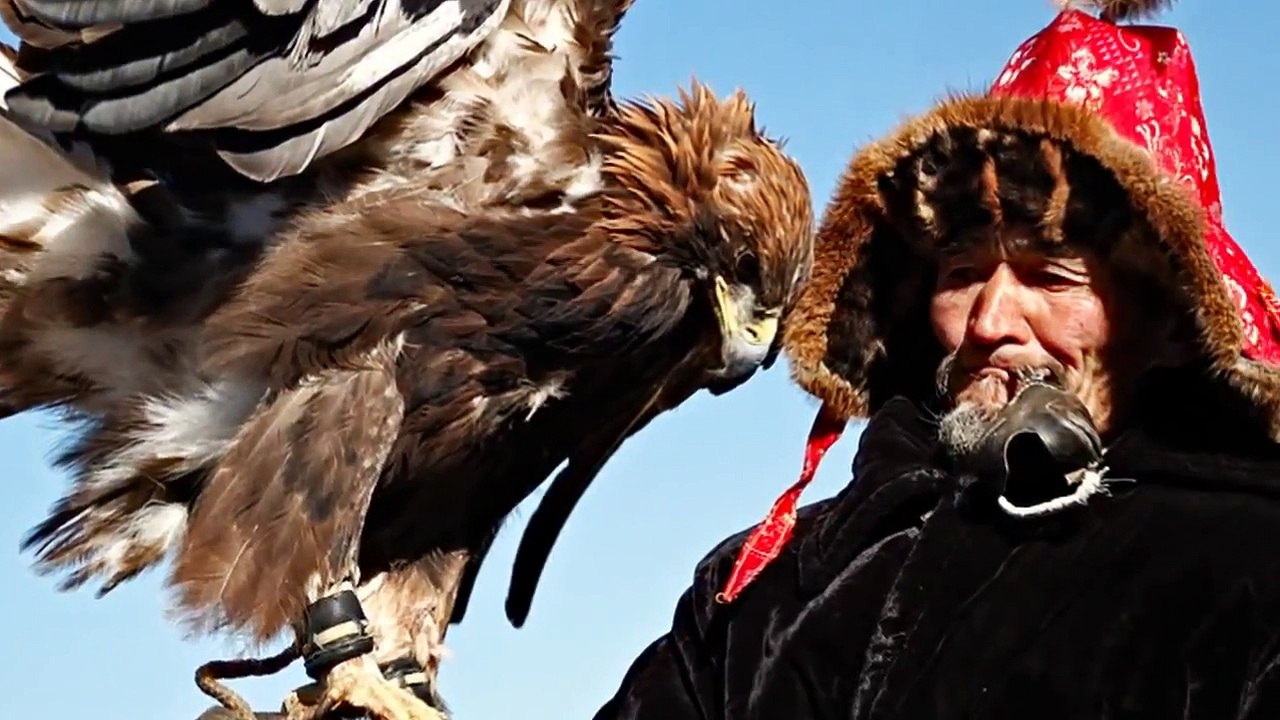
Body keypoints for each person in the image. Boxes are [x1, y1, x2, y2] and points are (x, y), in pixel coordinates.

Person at [592, 3, 1280, 718]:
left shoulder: (1252, 571)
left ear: (1171, 321)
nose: (988, 322)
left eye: (1049, 279)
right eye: (961, 275)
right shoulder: (760, 591)